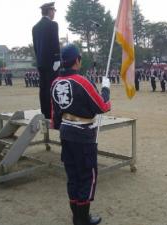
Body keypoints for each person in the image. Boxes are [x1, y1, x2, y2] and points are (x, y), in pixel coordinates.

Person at [51, 44, 111, 225]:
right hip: (83, 135)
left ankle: (76, 217)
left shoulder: (55, 82)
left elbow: (54, 114)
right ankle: (83, 219)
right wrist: (106, 90)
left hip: (65, 133)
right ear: (77, 60)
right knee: (87, 176)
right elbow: (102, 106)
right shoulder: (82, 81)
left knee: (73, 176)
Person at [32, 2, 60, 119]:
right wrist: (57, 58)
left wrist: (39, 60)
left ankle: (45, 112)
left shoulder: (35, 27)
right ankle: (54, 111)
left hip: (41, 62)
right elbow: (55, 42)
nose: (54, 13)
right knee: (53, 86)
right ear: (49, 11)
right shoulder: (53, 24)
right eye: (54, 11)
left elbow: (36, 47)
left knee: (43, 88)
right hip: (51, 62)